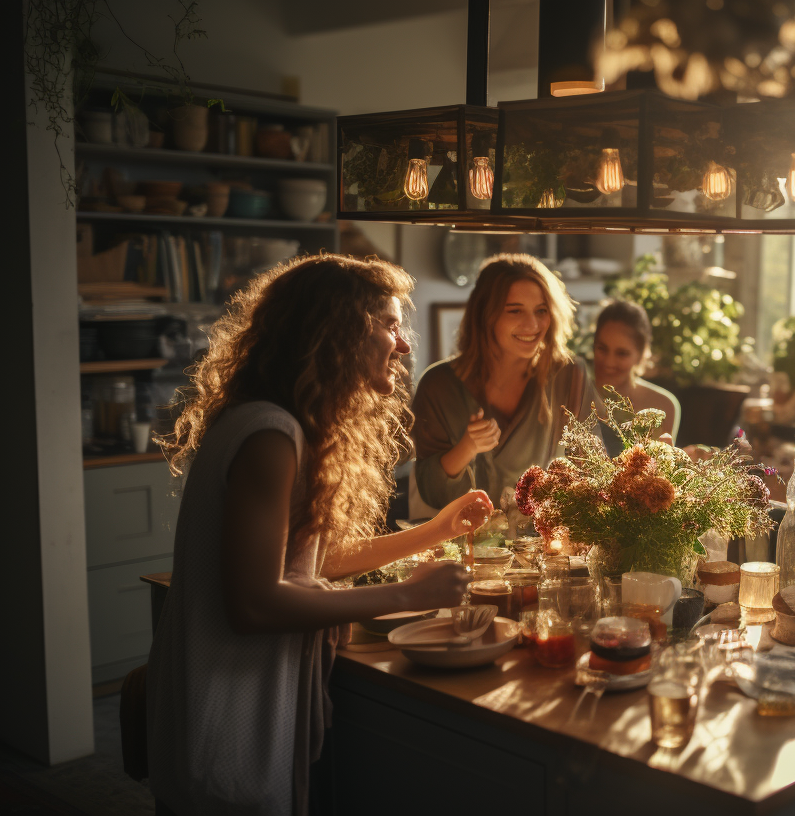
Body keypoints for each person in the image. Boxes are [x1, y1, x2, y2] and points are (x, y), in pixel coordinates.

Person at [148, 254, 491, 815]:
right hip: (227, 705)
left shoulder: (273, 422)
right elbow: (254, 604)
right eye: (388, 323)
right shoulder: (271, 434)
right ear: (337, 331)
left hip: (234, 699)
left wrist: (434, 531)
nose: (403, 344)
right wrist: (409, 594)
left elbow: (307, 564)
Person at [410, 254, 596, 517]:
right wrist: (466, 448)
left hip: (544, 548)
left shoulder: (569, 376)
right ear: (486, 314)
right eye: (515, 310)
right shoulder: (438, 384)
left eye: (541, 311)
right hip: (464, 547)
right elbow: (431, 493)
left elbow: (592, 471)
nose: (532, 325)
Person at [591, 299, 680, 455]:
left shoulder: (663, 406)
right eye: (602, 349)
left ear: (640, 356)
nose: (609, 362)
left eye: (622, 353)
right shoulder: (573, 394)